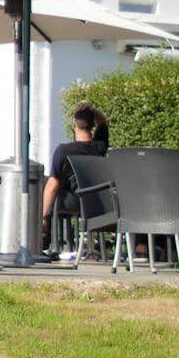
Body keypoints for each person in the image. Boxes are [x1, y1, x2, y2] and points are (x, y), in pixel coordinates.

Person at [41, 105, 108, 254]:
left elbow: (53, 186)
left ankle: (44, 238)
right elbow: (103, 123)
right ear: (92, 126)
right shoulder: (100, 147)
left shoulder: (63, 151)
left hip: (74, 202)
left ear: (74, 125)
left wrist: (43, 216)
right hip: (98, 201)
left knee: (47, 184)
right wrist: (94, 111)